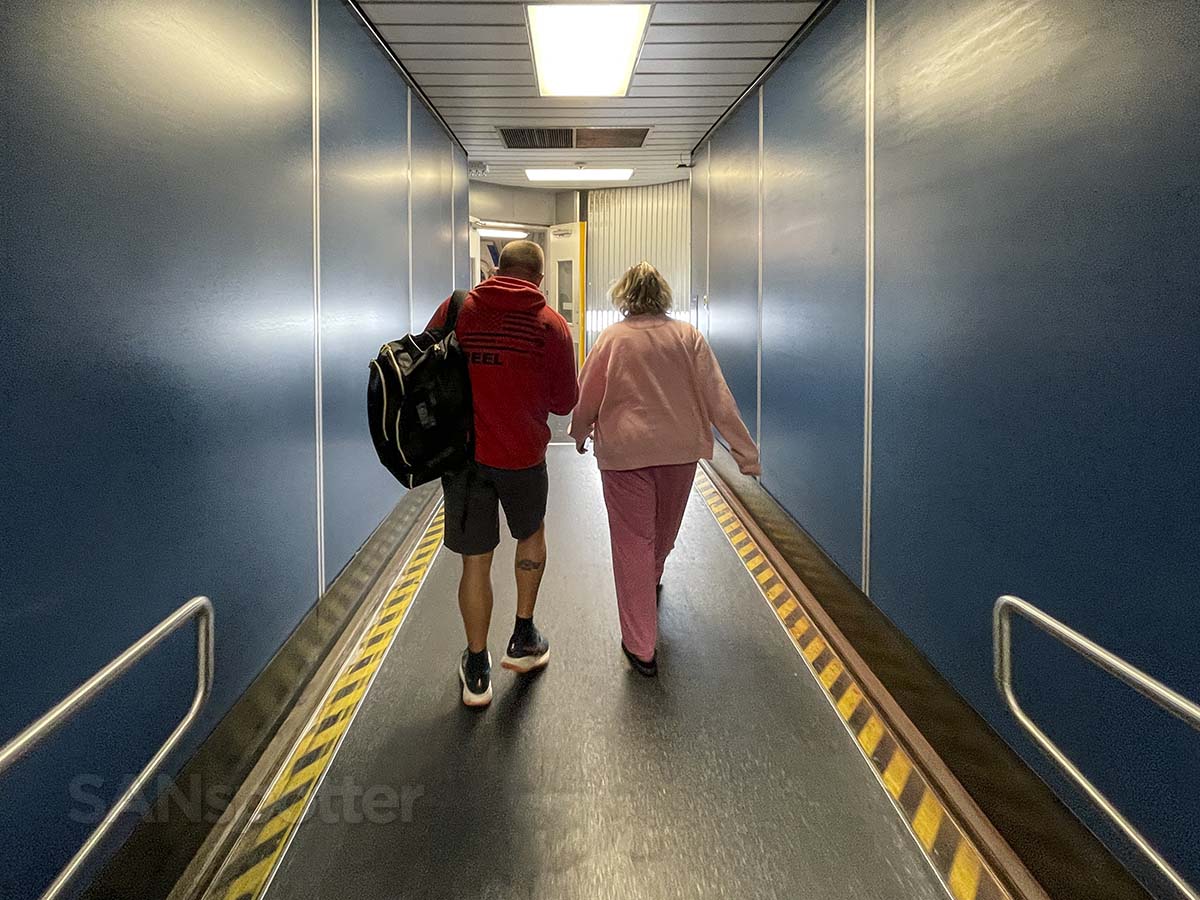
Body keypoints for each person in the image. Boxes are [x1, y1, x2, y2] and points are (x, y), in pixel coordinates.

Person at [570, 262, 760, 676]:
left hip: (624, 455)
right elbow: (718, 399)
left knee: (632, 542)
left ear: (624, 296)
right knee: (664, 529)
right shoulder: (688, 337)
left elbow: (588, 394)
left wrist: (579, 430)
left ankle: (641, 646)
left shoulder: (611, 339)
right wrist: (745, 453)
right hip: (679, 452)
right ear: (663, 295)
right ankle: (652, 576)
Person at [427, 240, 578, 707]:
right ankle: (524, 636)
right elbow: (563, 402)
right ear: (539, 278)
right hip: (523, 458)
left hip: (465, 459)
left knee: (476, 561)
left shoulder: (457, 309)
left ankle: (477, 668)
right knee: (530, 536)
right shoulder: (551, 326)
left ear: (497, 269)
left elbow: (426, 369)